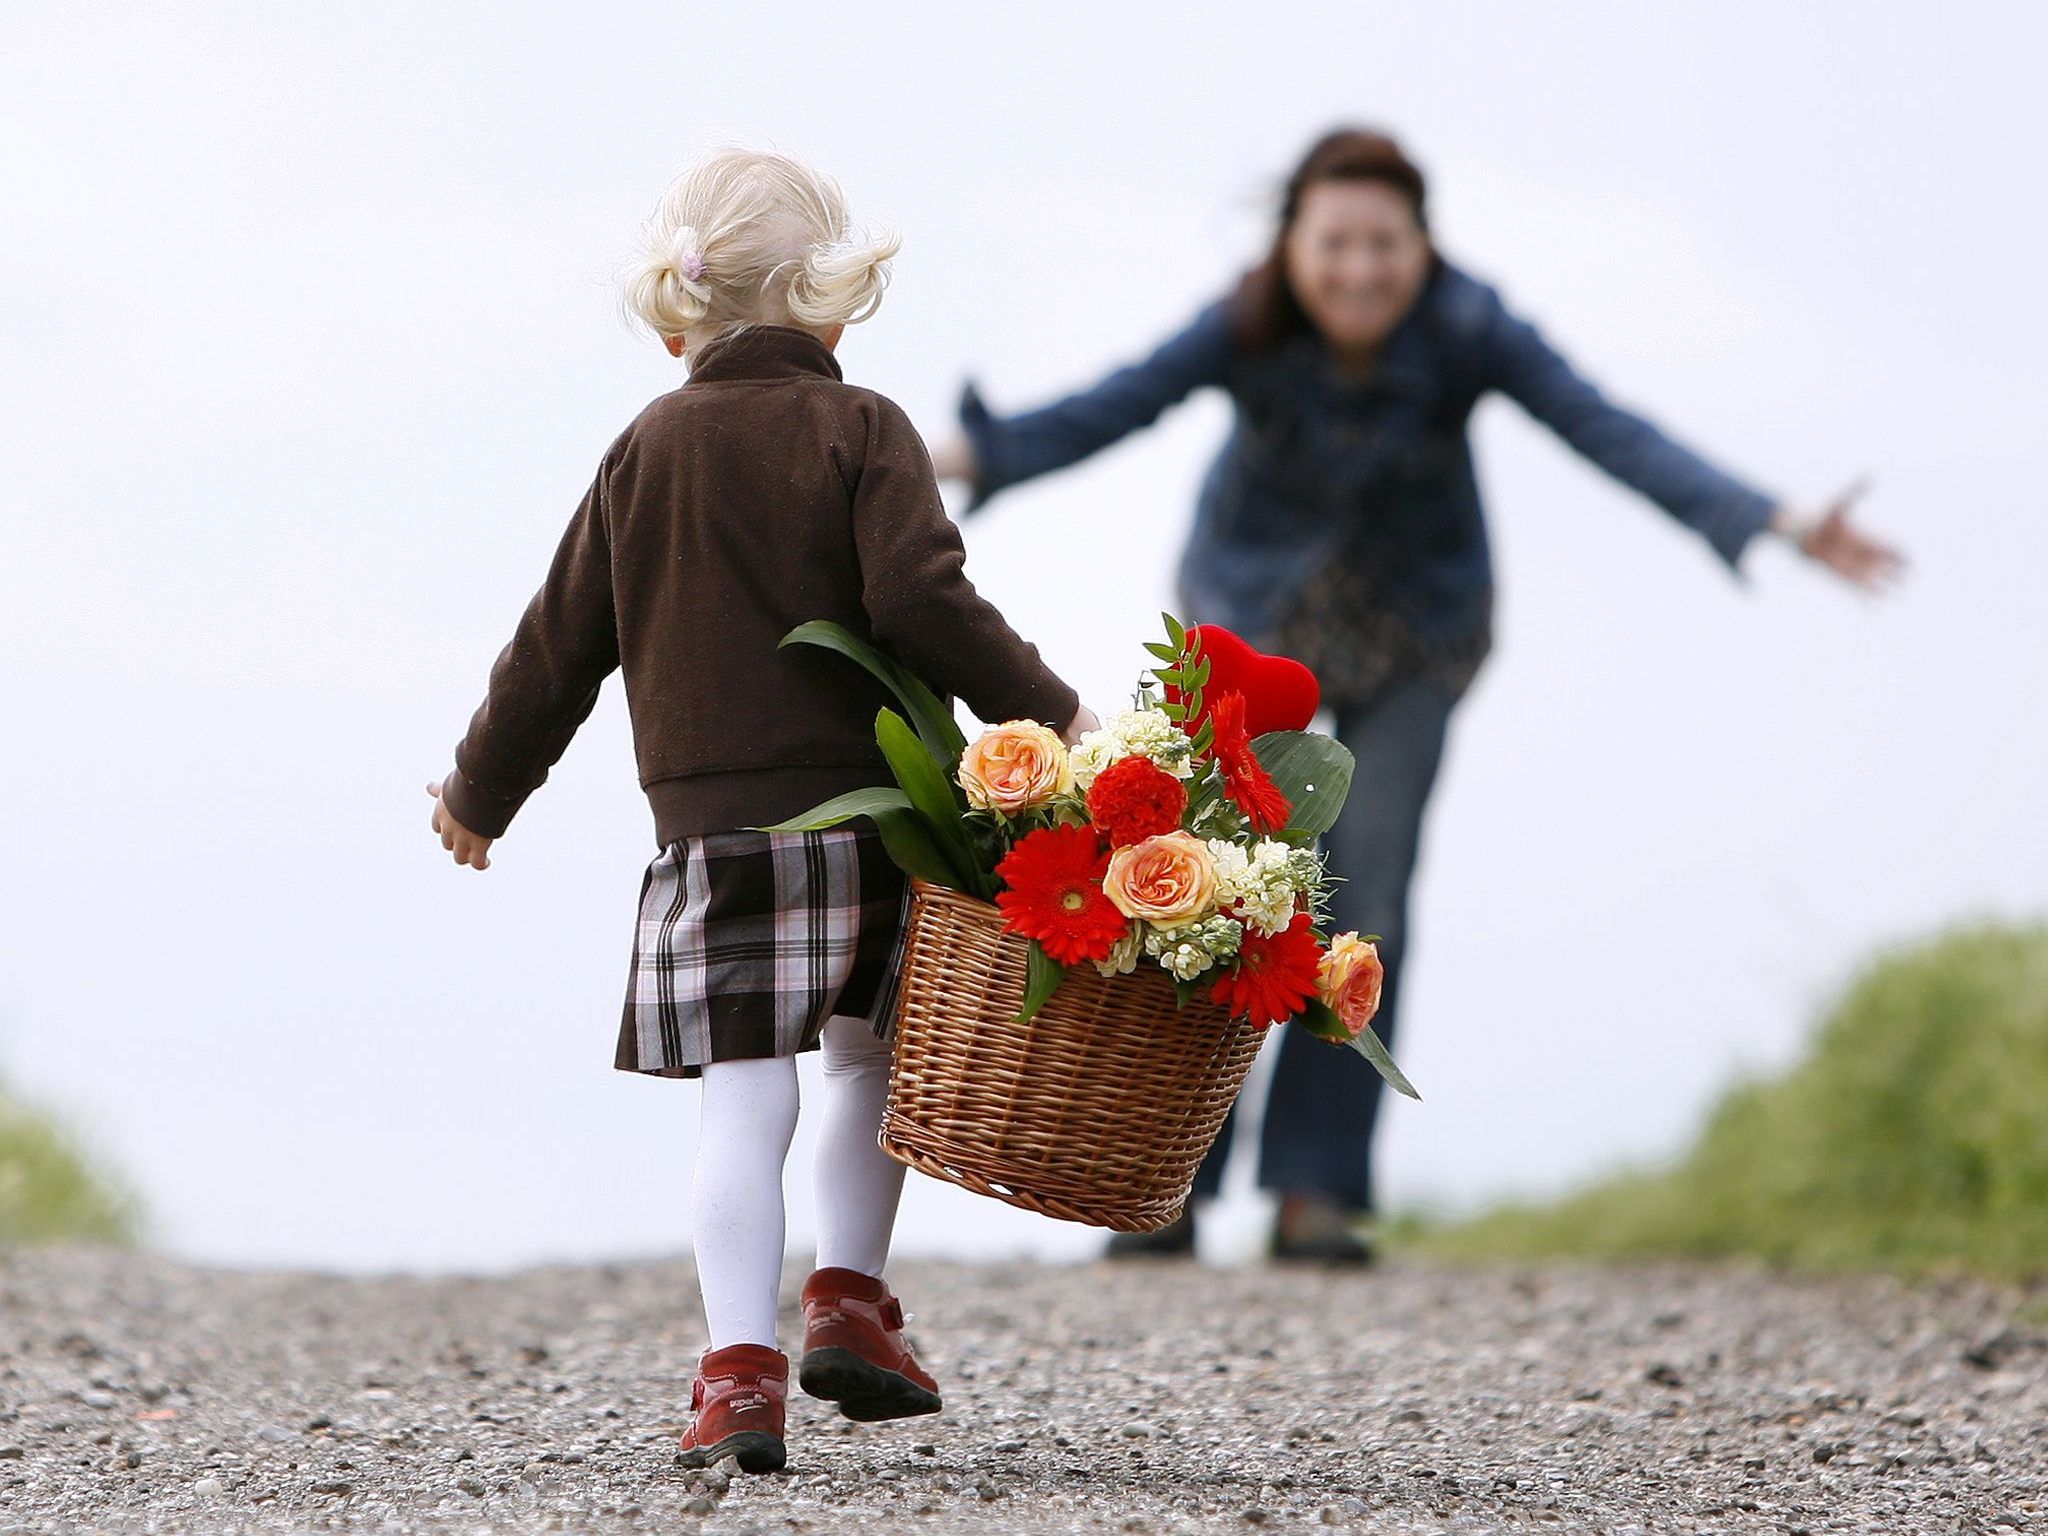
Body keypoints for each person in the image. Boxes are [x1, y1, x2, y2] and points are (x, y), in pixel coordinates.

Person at [928, 127, 1903, 1265]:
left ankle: (1315, 1190)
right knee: (1193, 881)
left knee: (1368, 879)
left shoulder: (1466, 327)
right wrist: (957, 458)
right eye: (1332, 242)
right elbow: (1110, 406)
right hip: (1251, 628)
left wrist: (1768, 519)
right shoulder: (1246, 323)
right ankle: (1169, 1183)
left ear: (1420, 245)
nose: (1357, 270)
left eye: (1382, 245)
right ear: (1291, 243)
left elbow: (1608, 429)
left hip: (1415, 637)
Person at [425, 149, 1095, 1472]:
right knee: (866, 1064)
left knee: (742, 1099)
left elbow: (558, 646)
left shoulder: (642, 450)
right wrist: (1053, 713)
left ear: (681, 318)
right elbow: (923, 603)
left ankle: (739, 1372)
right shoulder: (867, 430)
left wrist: (478, 790)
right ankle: (849, 1294)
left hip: (712, 838)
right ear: (834, 307)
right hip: (867, 814)